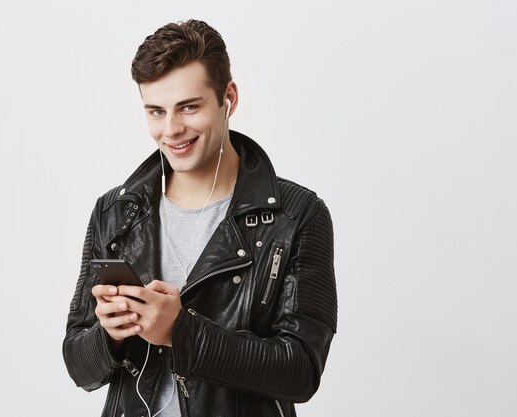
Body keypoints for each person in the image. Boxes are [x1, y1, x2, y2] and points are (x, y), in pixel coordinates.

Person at [63, 19, 337, 417]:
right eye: (156, 111)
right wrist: (108, 335)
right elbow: (77, 364)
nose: (171, 130)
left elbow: (301, 370)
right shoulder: (116, 213)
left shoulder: (297, 215)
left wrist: (181, 332)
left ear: (229, 98)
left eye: (188, 107)